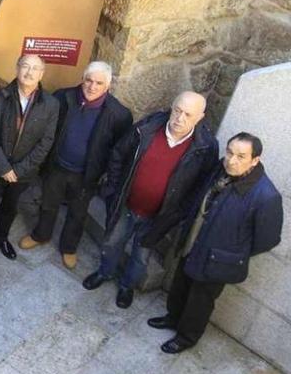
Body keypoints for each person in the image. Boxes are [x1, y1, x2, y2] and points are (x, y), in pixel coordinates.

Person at [148, 132, 282, 354]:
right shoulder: (221, 168)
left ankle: (186, 337)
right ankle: (172, 318)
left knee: (200, 301)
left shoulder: (266, 196)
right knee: (180, 284)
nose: (232, 160)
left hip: (219, 258)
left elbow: (266, 240)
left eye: (241, 156)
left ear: (255, 160)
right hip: (194, 242)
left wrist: (233, 250)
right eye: (230, 152)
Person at [82, 91, 219, 309]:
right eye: (177, 110)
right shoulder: (147, 128)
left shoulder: (206, 147)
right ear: (171, 107)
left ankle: (127, 286)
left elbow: (200, 188)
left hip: (158, 217)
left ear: (200, 117)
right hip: (126, 205)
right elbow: (118, 154)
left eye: (188, 115)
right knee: (112, 242)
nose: (180, 118)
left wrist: (177, 215)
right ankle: (104, 272)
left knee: (141, 257)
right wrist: (113, 189)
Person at [18, 61, 133, 269]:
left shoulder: (119, 115)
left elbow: (119, 152)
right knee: (48, 204)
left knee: (77, 213)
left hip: (86, 175)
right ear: (82, 79)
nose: (92, 86)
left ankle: (68, 248)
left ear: (107, 86)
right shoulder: (64, 97)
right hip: (57, 166)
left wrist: (105, 177)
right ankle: (41, 235)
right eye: (89, 80)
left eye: (99, 83)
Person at [0, 55, 59, 263]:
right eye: (25, 67)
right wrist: (3, 167)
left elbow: (46, 142)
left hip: (23, 172)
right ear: (17, 68)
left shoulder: (51, 104)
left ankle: (0, 237)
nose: (29, 72)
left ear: (42, 74)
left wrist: (18, 171)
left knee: (10, 208)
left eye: (35, 69)